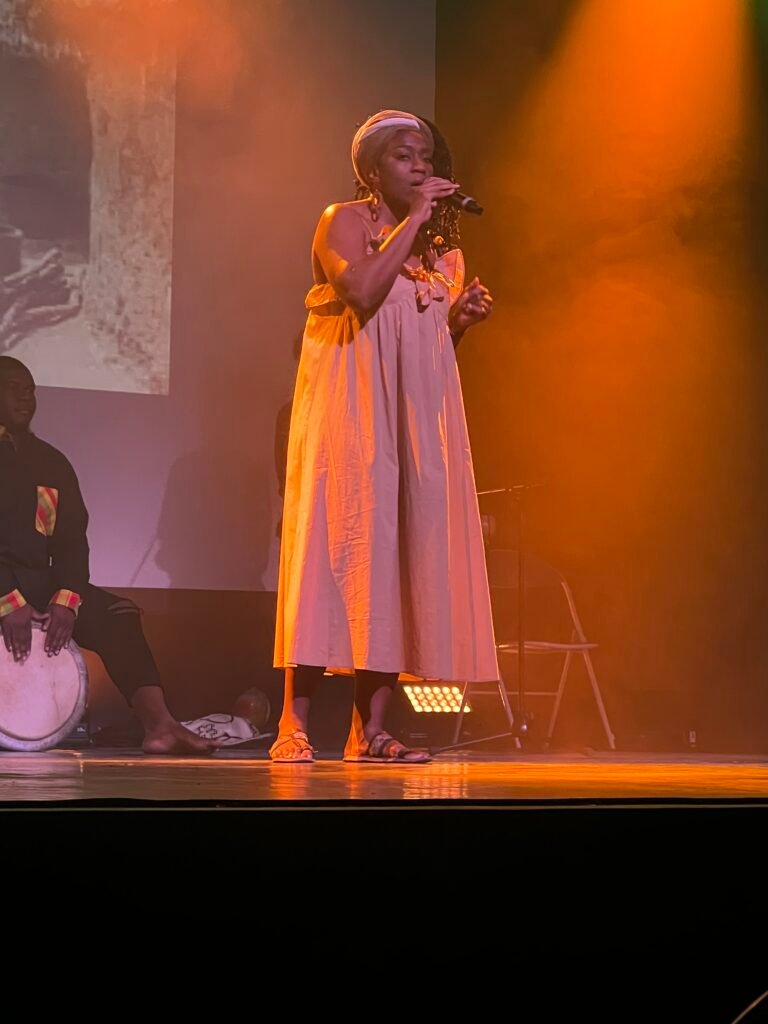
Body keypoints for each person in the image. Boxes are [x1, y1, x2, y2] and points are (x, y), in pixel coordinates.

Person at [271, 109, 499, 763]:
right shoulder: (343, 221)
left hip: (409, 422)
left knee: (393, 563)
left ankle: (369, 731)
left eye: (426, 156)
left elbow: (420, 352)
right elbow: (363, 291)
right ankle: (293, 724)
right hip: (350, 413)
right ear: (371, 171)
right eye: (405, 156)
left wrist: (455, 325)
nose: (421, 167)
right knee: (332, 553)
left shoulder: (441, 254)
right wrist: (417, 218)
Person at [0, 356, 216, 754]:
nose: (26, 397)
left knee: (118, 615)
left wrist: (66, 600)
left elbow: (71, 541)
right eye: (14, 388)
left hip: (39, 584)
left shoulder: (50, 462)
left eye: (30, 389)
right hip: (4, 587)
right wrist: (8, 601)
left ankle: (160, 725)